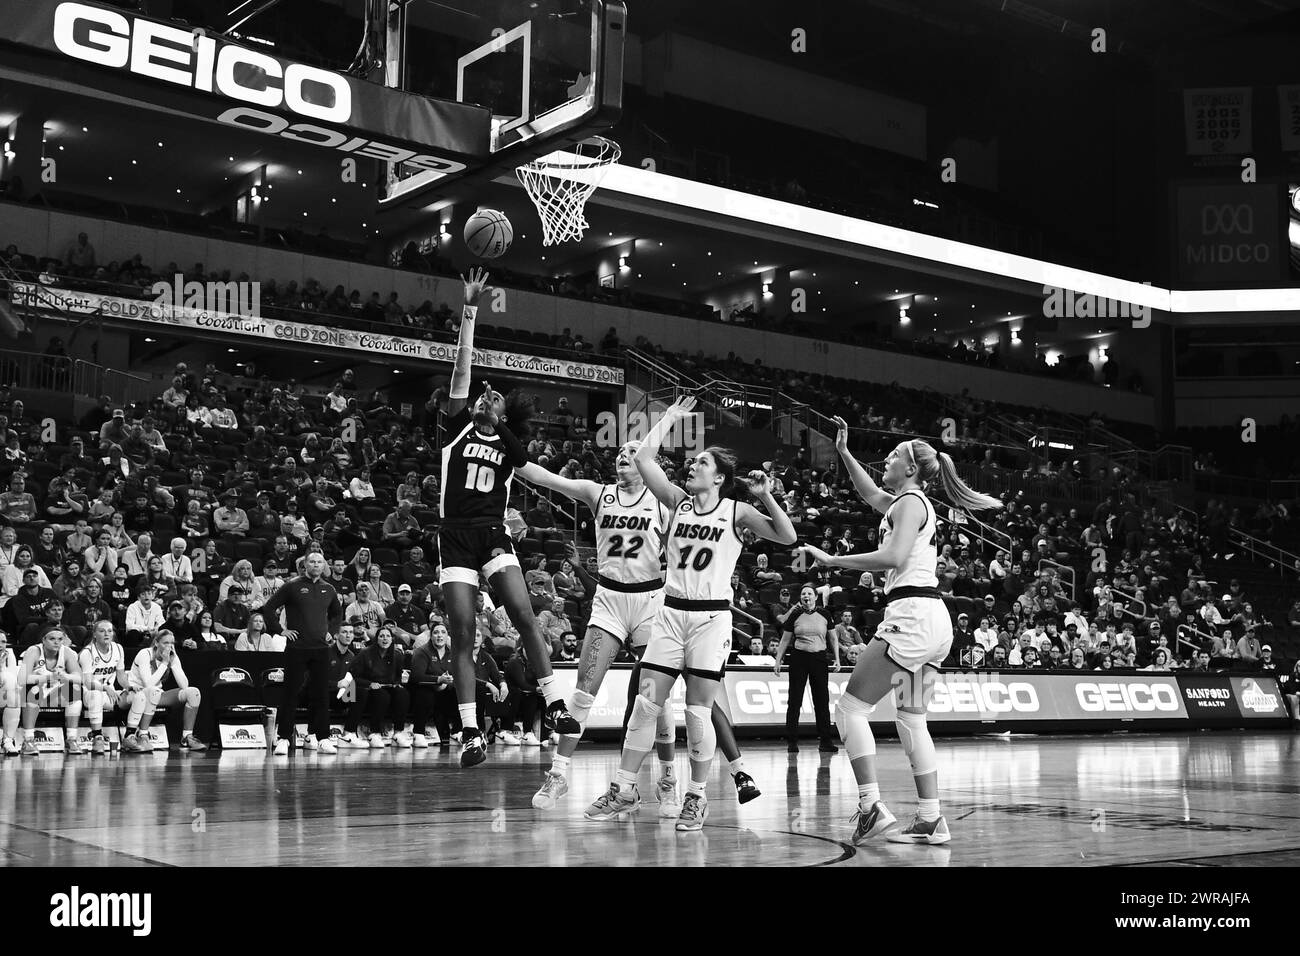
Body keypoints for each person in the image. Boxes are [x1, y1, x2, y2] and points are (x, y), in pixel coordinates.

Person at [585, 396, 796, 831]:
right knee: (646, 705)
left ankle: (696, 798)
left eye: (701, 463)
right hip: (669, 612)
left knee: (698, 712)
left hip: (710, 619)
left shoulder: (738, 512)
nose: (692, 466)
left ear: (719, 477)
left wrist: (767, 497)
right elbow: (644, 456)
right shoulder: (678, 501)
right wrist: (668, 420)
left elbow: (787, 536)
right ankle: (624, 787)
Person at [519, 442, 760, 813]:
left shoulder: (666, 501)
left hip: (652, 601)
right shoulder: (598, 493)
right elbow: (542, 476)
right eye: (620, 451)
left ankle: (667, 779)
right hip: (610, 600)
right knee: (583, 694)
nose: (624, 455)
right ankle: (559, 773)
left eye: (633, 452)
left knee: (655, 701)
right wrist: (505, 449)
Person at [799, 420, 1002, 846]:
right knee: (911, 719)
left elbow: (891, 555)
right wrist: (844, 452)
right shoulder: (903, 502)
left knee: (850, 710)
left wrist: (832, 561)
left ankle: (870, 806)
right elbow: (870, 494)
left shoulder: (911, 504)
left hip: (910, 616)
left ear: (911, 468)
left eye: (893, 456)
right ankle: (931, 819)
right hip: (931, 621)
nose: (886, 460)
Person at [436, 268, 577, 768]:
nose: (482, 396)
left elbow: (528, 467)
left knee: (523, 614)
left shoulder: (510, 446)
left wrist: (499, 421)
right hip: (454, 537)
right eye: (479, 394)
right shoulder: (453, 429)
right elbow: (460, 371)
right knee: (462, 629)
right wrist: (470, 311)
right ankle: (472, 732)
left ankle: (555, 703)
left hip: (494, 537)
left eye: (491, 397)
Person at [257, 552, 343, 753]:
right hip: (296, 648)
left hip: (321, 648)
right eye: (312, 561)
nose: (315, 565)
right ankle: (284, 737)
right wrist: (281, 631)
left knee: (321, 694)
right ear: (305, 564)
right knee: (291, 692)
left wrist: (332, 632)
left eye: (319, 562)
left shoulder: (329, 589)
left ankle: (320, 737)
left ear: (324, 566)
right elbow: (268, 608)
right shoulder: (292, 586)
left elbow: (337, 613)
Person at [773, 584, 840, 752]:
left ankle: (825, 741)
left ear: (815, 597)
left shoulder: (825, 614)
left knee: (822, 700)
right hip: (799, 658)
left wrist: (837, 659)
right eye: (803, 594)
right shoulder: (795, 614)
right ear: (800, 597)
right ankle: (792, 741)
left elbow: (833, 639)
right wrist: (778, 660)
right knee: (794, 700)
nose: (806, 596)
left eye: (809, 593)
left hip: (819, 658)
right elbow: (785, 640)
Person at [121, 631, 206, 752]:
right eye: (166, 642)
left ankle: (187, 737)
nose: (169, 646)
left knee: (193, 692)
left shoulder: (172, 656)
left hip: (155, 695)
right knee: (152, 690)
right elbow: (148, 684)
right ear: (156, 643)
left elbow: (184, 685)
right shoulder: (145, 654)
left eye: (172, 643)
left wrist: (173, 663)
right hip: (137, 694)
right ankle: (143, 735)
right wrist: (165, 663)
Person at [337, 626, 412, 748]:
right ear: (376, 639)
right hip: (368, 687)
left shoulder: (397, 655)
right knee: (382, 696)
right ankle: (375, 733)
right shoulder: (365, 653)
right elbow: (353, 676)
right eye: (381, 636)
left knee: (403, 694)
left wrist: (397, 684)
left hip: (388, 686)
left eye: (388, 636)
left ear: (392, 639)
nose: (385, 639)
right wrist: (369, 684)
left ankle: (398, 733)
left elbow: (398, 676)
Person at [18, 628, 85, 755]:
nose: (57, 642)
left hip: (54, 694)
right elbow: (21, 679)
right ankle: (28, 741)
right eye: (52, 639)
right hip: (34, 693)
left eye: (60, 639)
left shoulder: (67, 652)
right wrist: (47, 678)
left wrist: (65, 677)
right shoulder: (34, 651)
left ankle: (71, 739)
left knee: (75, 691)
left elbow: (80, 678)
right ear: (43, 640)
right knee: (32, 690)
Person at [78, 621, 133, 754]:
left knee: (138, 697)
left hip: (110, 694)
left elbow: (121, 676)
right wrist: (104, 688)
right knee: (96, 695)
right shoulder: (87, 652)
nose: (107, 634)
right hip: (88, 693)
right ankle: (97, 737)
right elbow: (87, 682)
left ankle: (131, 736)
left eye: (109, 631)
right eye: (102, 631)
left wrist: (130, 687)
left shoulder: (118, 648)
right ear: (95, 634)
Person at [409, 623, 455, 746]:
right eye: (436, 633)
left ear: (447, 636)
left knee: (460, 693)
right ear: (431, 636)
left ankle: (458, 732)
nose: (439, 635)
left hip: (446, 690)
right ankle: (418, 733)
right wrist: (439, 679)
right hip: (423, 689)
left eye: (443, 632)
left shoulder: (452, 652)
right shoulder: (422, 651)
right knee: (426, 694)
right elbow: (416, 677)